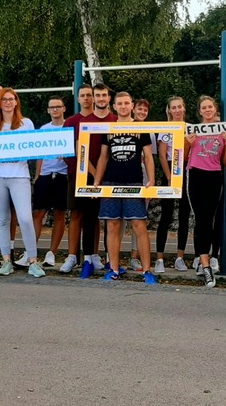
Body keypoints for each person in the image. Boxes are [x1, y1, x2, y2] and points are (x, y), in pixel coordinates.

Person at [93, 92, 157, 285]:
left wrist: (151, 180)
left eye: (126, 103)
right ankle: (113, 269)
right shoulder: (109, 128)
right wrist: (97, 182)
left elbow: (148, 157)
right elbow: (103, 157)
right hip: (111, 182)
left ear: (132, 106)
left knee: (139, 225)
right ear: (114, 106)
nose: (123, 106)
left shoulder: (141, 128)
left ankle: (147, 270)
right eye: (119, 103)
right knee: (112, 226)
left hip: (134, 183)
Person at [0, 88, 45, 278]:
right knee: (3, 219)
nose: (8, 102)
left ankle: (33, 261)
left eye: (11, 99)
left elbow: (35, 147)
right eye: (4, 99)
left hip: (19, 176)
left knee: (25, 218)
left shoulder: (26, 123)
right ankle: (6, 261)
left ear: (17, 102)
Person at [69, 83, 117, 278]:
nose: (101, 98)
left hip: (112, 177)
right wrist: (97, 174)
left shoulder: (116, 120)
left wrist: (106, 175)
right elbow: (81, 151)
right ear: (94, 98)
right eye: (98, 95)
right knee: (89, 218)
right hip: (90, 176)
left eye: (104, 95)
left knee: (111, 220)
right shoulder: (84, 122)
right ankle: (87, 259)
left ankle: (111, 260)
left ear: (109, 98)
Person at [186, 95, 226, 288]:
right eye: (204, 107)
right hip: (196, 175)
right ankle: (205, 264)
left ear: (215, 109)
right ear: (200, 111)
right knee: (201, 220)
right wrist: (188, 143)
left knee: (210, 219)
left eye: (210, 107)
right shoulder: (193, 131)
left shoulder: (222, 131)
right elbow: (182, 156)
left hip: (214, 176)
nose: (207, 110)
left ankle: (206, 258)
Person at [20, 95, 69, 268]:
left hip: (63, 175)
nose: (55, 109)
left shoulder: (69, 127)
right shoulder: (44, 129)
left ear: (63, 108)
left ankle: (52, 253)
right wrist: (37, 175)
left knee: (60, 214)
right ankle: (30, 252)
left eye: (58, 106)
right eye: (52, 107)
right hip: (45, 176)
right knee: (38, 214)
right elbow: (39, 155)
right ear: (48, 110)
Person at [60, 85, 95, 273]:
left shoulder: (104, 120)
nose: (87, 98)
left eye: (89, 95)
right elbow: (65, 150)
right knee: (76, 214)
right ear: (78, 98)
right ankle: (72, 255)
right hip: (76, 174)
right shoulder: (71, 122)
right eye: (83, 95)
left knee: (94, 217)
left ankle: (93, 255)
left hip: (98, 175)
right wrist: (75, 165)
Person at [155, 96, 192, 273]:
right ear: (169, 110)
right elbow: (162, 155)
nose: (177, 110)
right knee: (166, 215)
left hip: (186, 169)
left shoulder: (190, 128)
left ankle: (180, 257)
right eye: (174, 107)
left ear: (184, 108)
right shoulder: (165, 128)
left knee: (184, 215)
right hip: (170, 169)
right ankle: (159, 258)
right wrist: (169, 177)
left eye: (180, 107)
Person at [126, 98, 156, 272]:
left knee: (138, 219)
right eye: (139, 109)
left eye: (145, 110)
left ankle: (134, 257)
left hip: (142, 175)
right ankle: (110, 259)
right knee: (118, 221)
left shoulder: (149, 131)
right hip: (123, 176)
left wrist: (151, 180)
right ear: (133, 109)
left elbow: (149, 158)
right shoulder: (123, 126)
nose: (142, 112)